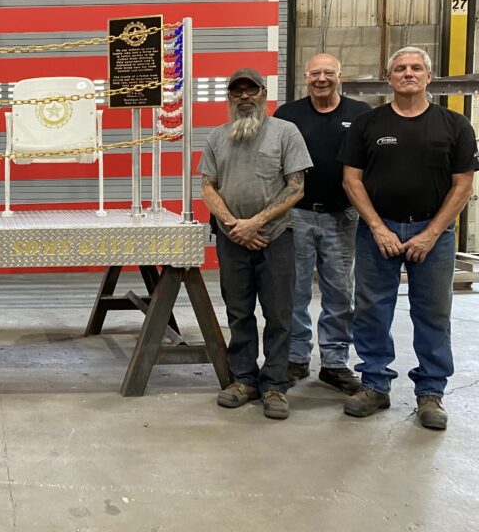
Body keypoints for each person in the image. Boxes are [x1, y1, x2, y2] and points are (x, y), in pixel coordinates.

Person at [339, 47, 478, 430]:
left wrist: (431, 233)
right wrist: (379, 227)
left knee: (433, 313)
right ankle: (374, 384)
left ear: (428, 76)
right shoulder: (369, 124)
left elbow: (463, 185)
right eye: (400, 68)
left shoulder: (454, 125)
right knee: (370, 309)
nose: (408, 73)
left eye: (416, 68)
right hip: (377, 231)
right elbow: (351, 180)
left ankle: (430, 392)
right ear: (389, 78)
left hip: (433, 233)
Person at [199, 68, 312, 420]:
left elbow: (297, 187)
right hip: (232, 239)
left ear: (264, 93)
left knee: (279, 312)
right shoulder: (217, 137)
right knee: (238, 310)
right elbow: (208, 186)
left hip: (275, 236)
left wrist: (256, 223)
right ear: (229, 97)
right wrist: (235, 226)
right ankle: (244, 379)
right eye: (237, 91)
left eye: (252, 90)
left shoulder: (285, 132)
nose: (245, 96)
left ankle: (275, 385)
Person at [274, 54, 371, 394]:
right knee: (294, 290)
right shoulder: (288, 115)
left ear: (340, 76)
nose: (322, 78)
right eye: (315, 73)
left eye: (329, 72)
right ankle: (297, 358)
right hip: (296, 214)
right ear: (305, 76)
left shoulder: (360, 114)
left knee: (340, 291)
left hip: (342, 215)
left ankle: (334, 363)